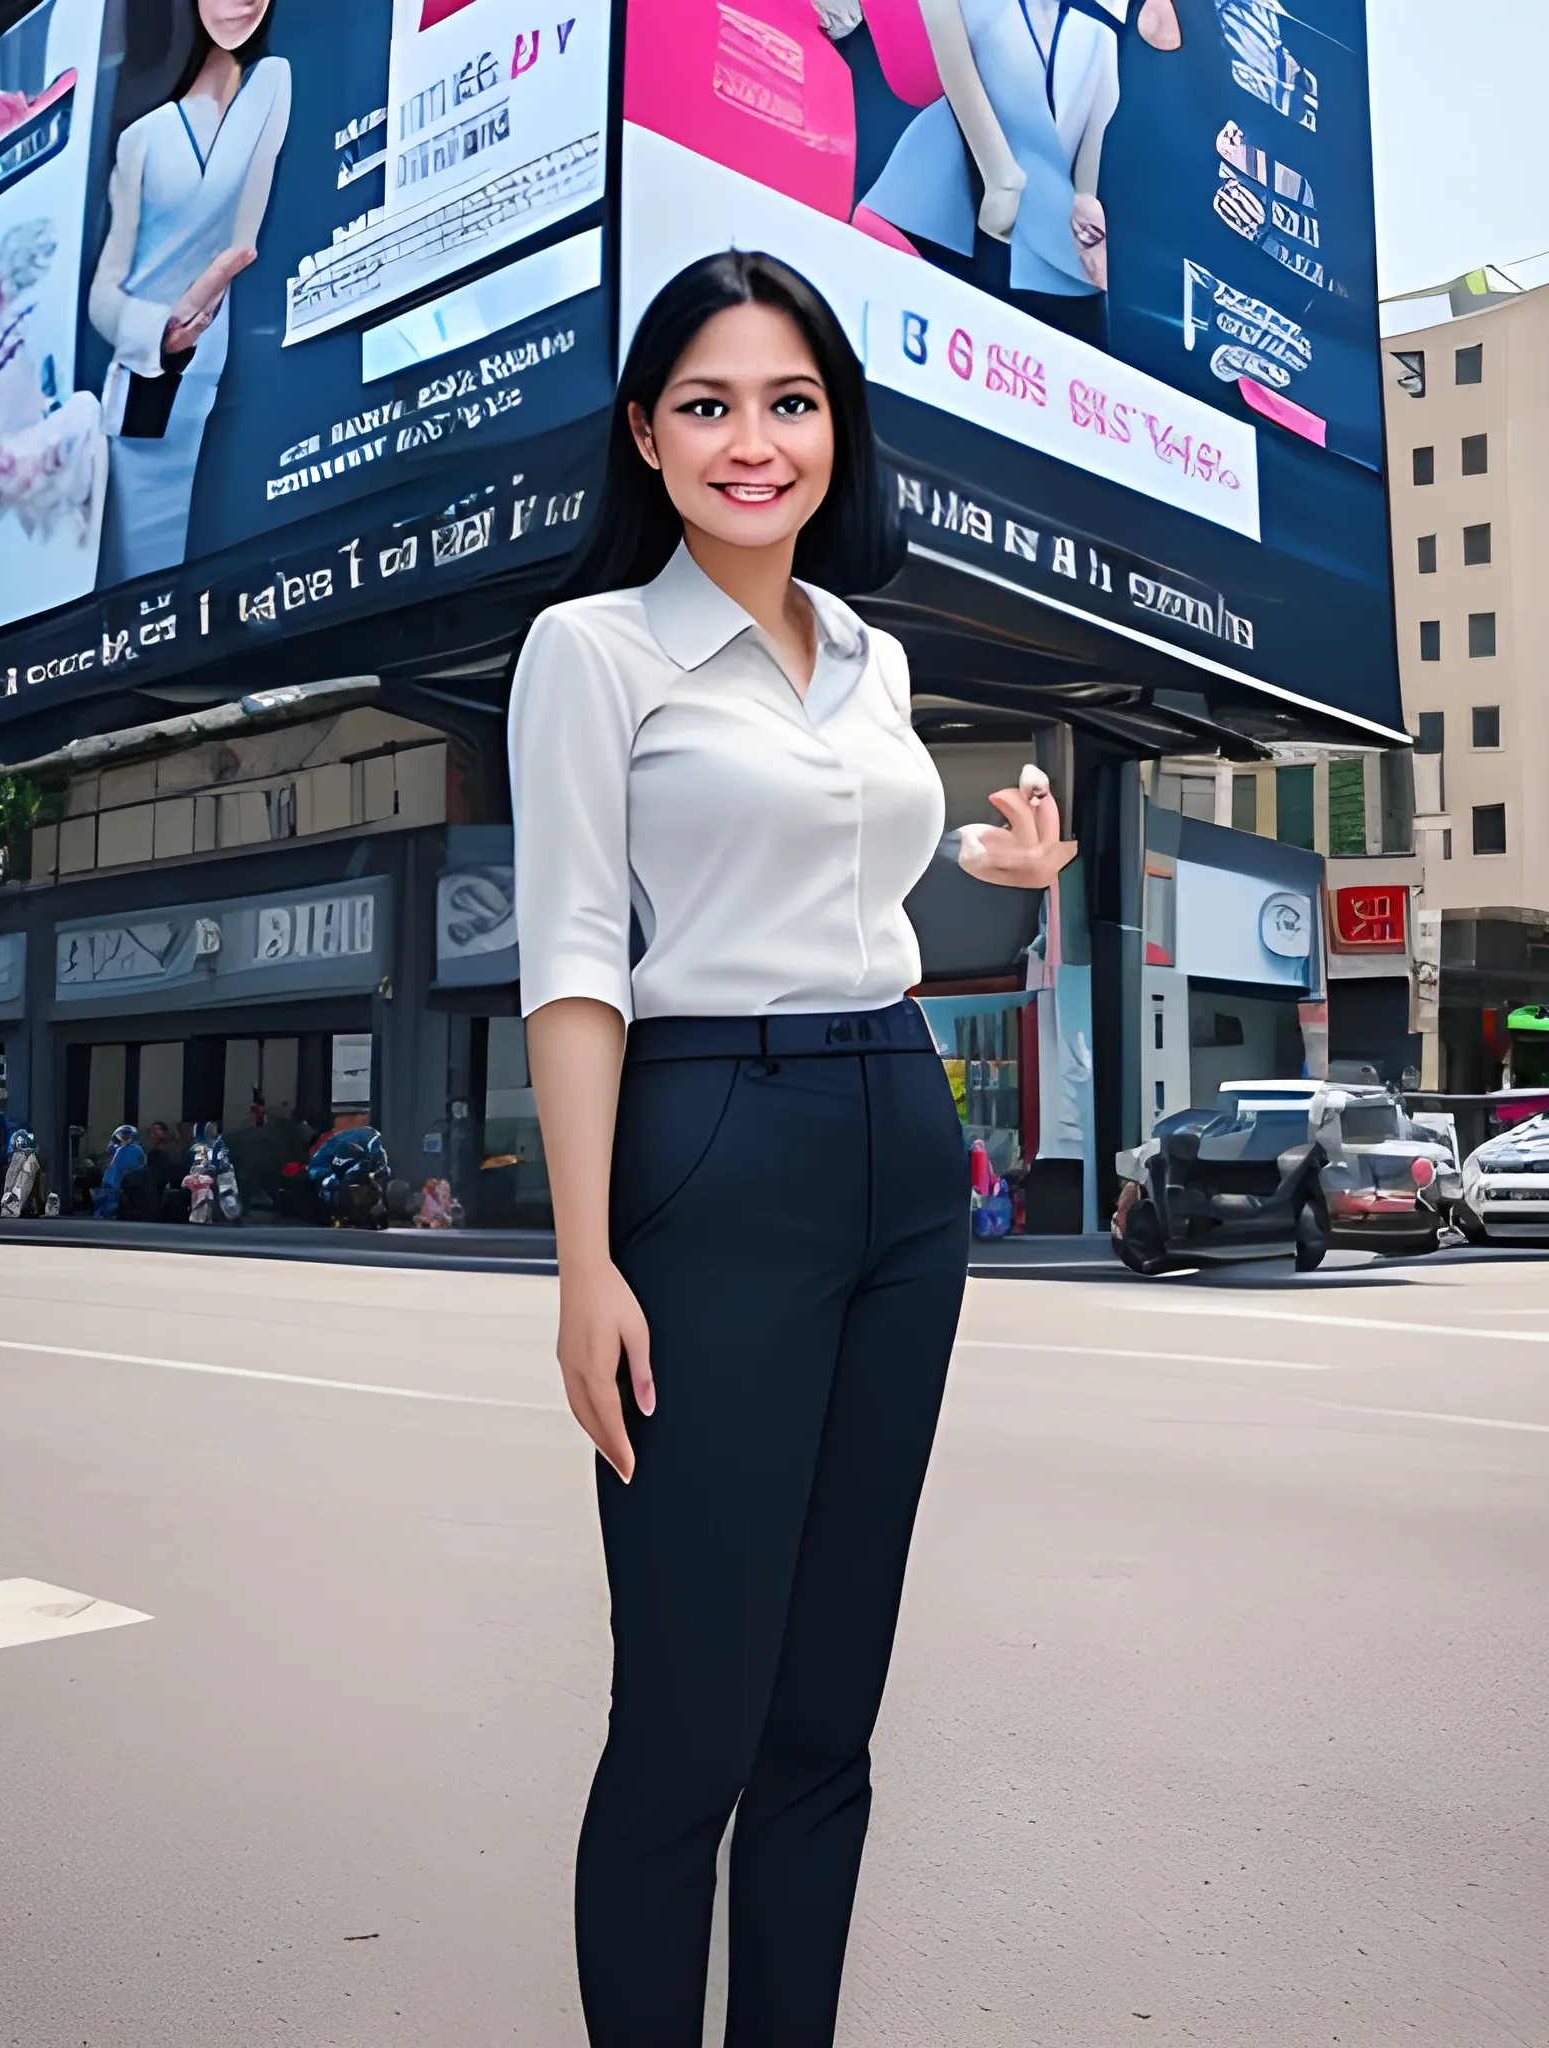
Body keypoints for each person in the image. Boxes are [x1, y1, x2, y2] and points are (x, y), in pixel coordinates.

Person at [509, 250, 1074, 2047]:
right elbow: (580, 958)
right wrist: (584, 1263)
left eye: (789, 401)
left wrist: (1004, 884)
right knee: (689, 1720)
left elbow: (846, 893)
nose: (751, 441)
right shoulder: (589, 651)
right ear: (646, 438)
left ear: (835, 425)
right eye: (707, 402)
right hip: (710, 1148)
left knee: (827, 1718)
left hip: (901, 1143)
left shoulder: (873, 654)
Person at [87, 0, 290, 582]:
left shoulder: (270, 86)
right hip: (142, 401)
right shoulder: (143, 137)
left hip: (222, 387)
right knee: (134, 599)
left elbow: (243, 243)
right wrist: (161, 332)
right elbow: (105, 295)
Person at [854, 0, 1182, 346]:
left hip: (1040, 231)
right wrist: (1003, 177)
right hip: (955, 207)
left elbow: (1150, 41)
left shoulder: (1095, 40)